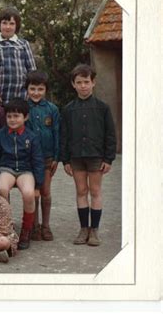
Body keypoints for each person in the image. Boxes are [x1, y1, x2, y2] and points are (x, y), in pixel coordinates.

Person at [60, 64, 116, 247]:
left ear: (93, 83)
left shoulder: (102, 108)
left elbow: (110, 134)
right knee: (81, 191)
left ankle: (95, 230)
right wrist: (65, 159)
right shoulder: (68, 109)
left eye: (86, 82)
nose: (83, 86)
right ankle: (84, 228)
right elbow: (64, 135)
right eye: (79, 82)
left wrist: (108, 158)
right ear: (73, 84)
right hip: (76, 158)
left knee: (95, 191)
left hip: (95, 157)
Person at [0, 98, 44, 250]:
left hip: (25, 170)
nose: (12, 120)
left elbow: (38, 161)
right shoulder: (0, 135)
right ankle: (6, 227)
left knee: (29, 193)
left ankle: (26, 229)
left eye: (17, 116)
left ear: (25, 117)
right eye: (9, 116)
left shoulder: (32, 137)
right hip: (7, 168)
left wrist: (38, 184)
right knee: (2, 189)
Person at [25, 71, 60, 242]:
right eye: (32, 89)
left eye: (40, 89)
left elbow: (57, 133)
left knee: (45, 191)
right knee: (33, 193)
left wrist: (56, 157)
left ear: (45, 90)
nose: (36, 93)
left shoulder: (52, 110)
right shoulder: (24, 109)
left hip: (46, 158)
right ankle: (34, 226)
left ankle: (46, 226)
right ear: (27, 89)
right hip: (29, 158)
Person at [0, 7, 36, 104]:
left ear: (16, 26)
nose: (8, 27)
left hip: (21, 94)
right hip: (0, 95)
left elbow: (31, 70)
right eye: (4, 23)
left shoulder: (23, 44)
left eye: (11, 24)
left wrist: (31, 91)